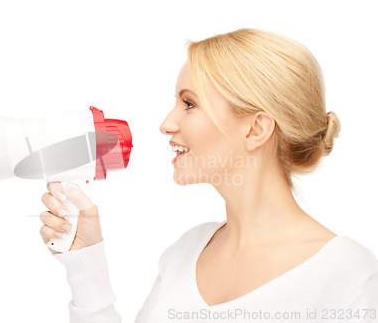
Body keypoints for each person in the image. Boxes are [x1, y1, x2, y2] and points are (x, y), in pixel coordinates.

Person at [39, 28, 378, 322]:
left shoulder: (351, 277)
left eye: (189, 104)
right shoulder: (187, 251)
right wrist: (86, 262)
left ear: (255, 128)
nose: (166, 124)